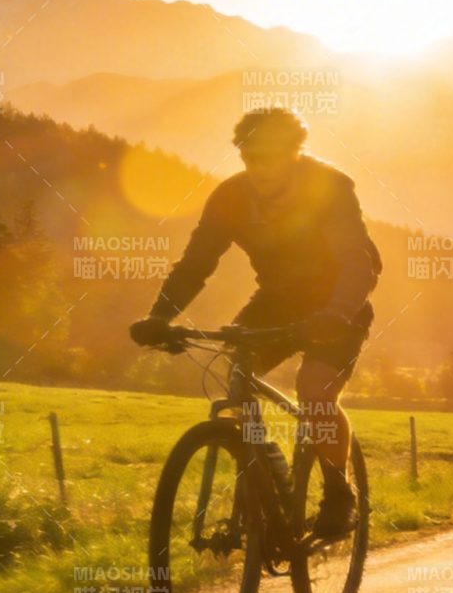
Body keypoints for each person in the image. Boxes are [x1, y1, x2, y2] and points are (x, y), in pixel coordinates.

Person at [130, 107, 382, 538]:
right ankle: (267, 477)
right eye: (249, 158)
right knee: (237, 368)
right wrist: (161, 315)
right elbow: (196, 263)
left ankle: (339, 491)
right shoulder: (231, 197)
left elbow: (355, 260)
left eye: (270, 157)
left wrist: (338, 313)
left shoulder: (328, 187)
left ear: (295, 153)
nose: (259, 168)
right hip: (278, 299)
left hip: (340, 300)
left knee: (315, 391)